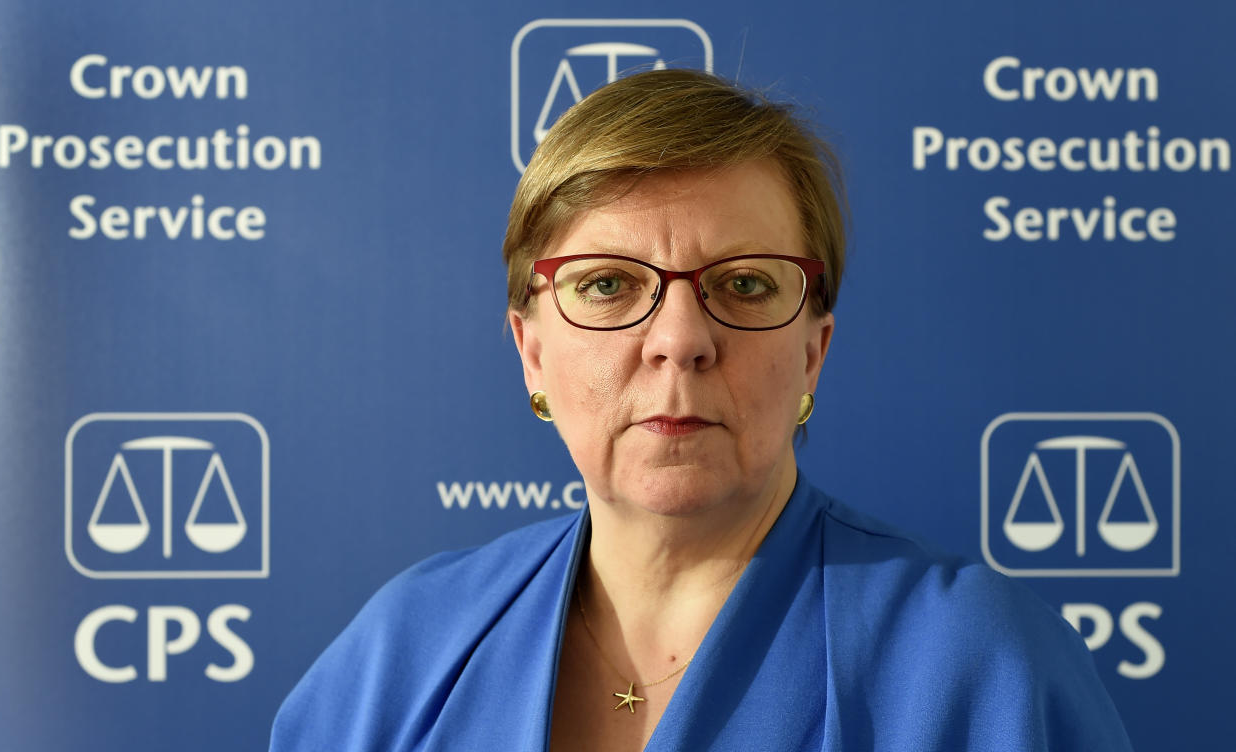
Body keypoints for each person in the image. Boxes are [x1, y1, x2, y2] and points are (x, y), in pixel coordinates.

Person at [269, 69, 1132, 751]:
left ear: (813, 351)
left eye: (744, 284)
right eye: (608, 285)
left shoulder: (977, 667)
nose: (678, 340)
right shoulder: (403, 652)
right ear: (532, 351)